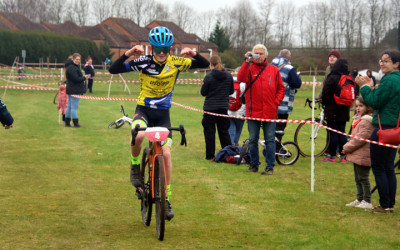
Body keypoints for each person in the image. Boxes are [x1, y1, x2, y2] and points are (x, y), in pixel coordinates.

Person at [109, 26, 209, 220]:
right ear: (151, 49)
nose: (161, 53)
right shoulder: (143, 62)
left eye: (165, 49)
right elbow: (113, 69)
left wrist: (194, 53)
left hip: (163, 115)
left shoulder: (177, 62)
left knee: (167, 154)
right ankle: (135, 166)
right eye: (157, 49)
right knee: (138, 134)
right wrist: (128, 53)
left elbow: (204, 64)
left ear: (171, 49)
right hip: (144, 110)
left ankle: (167, 198)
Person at [355, 50, 400, 213]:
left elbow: (375, 102)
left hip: (383, 128)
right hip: (395, 127)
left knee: (379, 167)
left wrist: (364, 88)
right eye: (381, 61)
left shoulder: (389, 80)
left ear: (396, 63)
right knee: (388, 167)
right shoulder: (397, 79)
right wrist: (372, 86)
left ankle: (385, 204)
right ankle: (390, 204)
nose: (382, 64)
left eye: (386, 61)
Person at [237, 44, 285, 175]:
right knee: (253, 139)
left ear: (266, 55)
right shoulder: (249, 69)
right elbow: (240, 78)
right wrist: (246, 61)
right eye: (256, 53)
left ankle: (270, 166)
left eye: (261, 53)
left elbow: (281, 88)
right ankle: (254, 165)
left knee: (270, 140)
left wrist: (275, 102)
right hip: (253, 112)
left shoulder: (273, 70)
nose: (258, 55)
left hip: (270, 111)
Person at [342, 97, 374, 209]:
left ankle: (367, 201)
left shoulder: (367, 121)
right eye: (356, 106)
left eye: (361, 106)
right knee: (357, 178)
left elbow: (359, 139)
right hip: (357, 154)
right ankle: (359, 198)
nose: (358, 108)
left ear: (368, 107)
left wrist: (346, 147)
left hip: (364, 155)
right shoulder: (359, 119)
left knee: (363, 178)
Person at [201, 55, 234, 160]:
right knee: (224, 131)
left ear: (211, 64)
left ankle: (210, 155)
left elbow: (203, 92)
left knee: (209, 132)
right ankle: (228, 154)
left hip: (210, 108)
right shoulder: (229, 76)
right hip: (223, 108)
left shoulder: (209, 77)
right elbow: (231, 91)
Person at [271, 49, 302, 151]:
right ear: (289, 58)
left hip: (269, 102)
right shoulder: (289, 68)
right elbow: (297, 84)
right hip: (282, 103)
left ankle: (271, 146)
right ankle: (276, 149)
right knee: (280, 127)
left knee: (270, 127)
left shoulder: (270, 65)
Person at [320, 58, 351, 162]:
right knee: (342, 132)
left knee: (333, 133)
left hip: (332, 109)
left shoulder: (332, 78)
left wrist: (323, 102)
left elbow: (326, 93)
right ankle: (343, 156)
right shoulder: (348, 78)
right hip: (344, 110)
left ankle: (332, 155)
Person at [65, 53, 90, 128]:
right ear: (73, 59)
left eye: (79, 59)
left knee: (69, 106)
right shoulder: (73, 68)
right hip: (75, 90)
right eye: (76, 59)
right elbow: (76, 79)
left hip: (72, 89)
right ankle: (76, 123)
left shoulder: (72, 67)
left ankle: (67, 123)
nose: (78, 61)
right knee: (73, 108)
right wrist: (84, 78)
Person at [227, 80, 246, 145]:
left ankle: (231, 144)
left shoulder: (229, 82)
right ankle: (235, 144)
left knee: (230, 129)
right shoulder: (244, 84)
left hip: (229, 110)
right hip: (241, 111)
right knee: (238, 129)